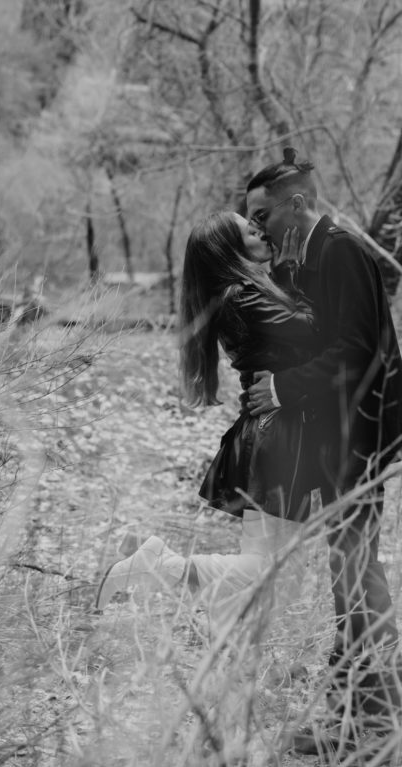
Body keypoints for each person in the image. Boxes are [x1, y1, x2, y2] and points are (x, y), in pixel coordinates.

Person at [246, 148, 402, 762]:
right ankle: (352, 722)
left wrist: (284, 388)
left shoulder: (341, 248)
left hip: (364, 438)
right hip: (340, 439)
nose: (258, 228)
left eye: (263, 215)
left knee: (359, 576)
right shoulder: (308, 255)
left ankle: (385, 732)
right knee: (347, 576)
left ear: (296, 203)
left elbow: (356, 351)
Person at [95, 211, 320, 637]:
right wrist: (295, 268)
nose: (260, 231)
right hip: (279, 436)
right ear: (229, 249)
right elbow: (315, 332)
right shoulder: (241, 296)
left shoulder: (244, 292)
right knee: (279, 576)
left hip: (273, 431)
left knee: (265, 567)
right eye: (249, 230)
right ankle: (164, 567)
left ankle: (228, 650)